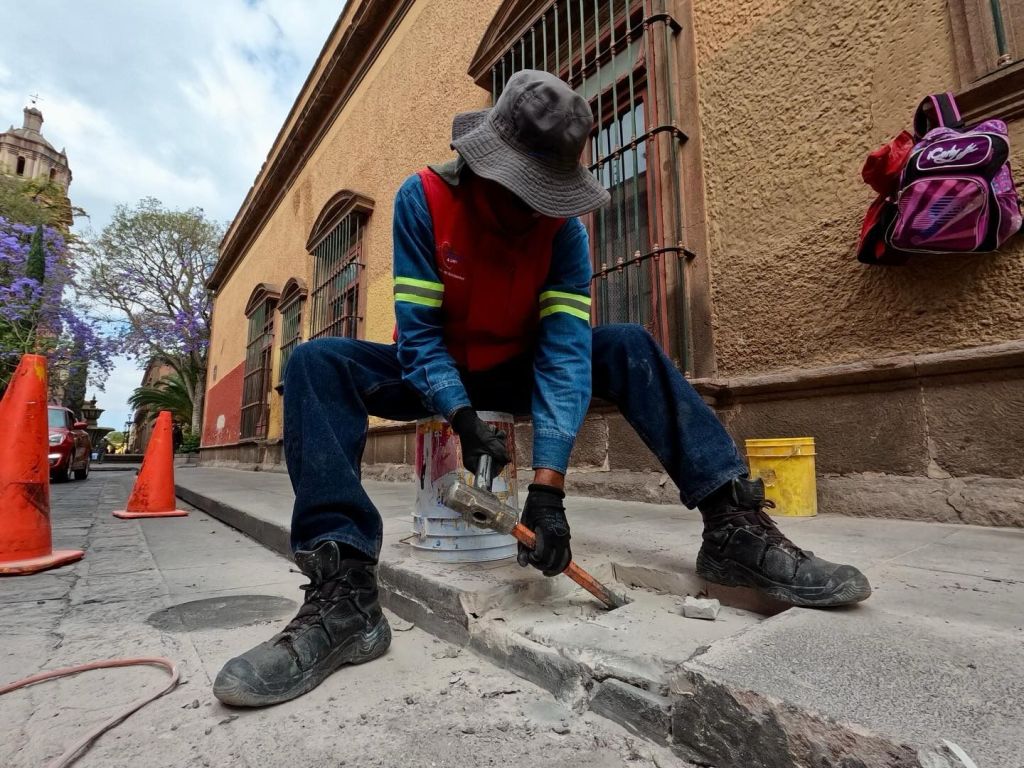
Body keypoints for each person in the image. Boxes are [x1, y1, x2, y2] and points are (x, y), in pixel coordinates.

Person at [213, 70, 871, 708]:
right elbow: (417, 335)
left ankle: (732, 529)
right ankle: (345, 594)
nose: (533, 212)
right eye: (519, 193)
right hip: (432, 367)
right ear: (479, 166)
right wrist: (459, 414)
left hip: (515, 365)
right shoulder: (425, 200)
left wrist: (547, 492)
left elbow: (562, 355)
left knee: (628, 346)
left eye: (544, 196)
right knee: (315, 363)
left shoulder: (562, 234)